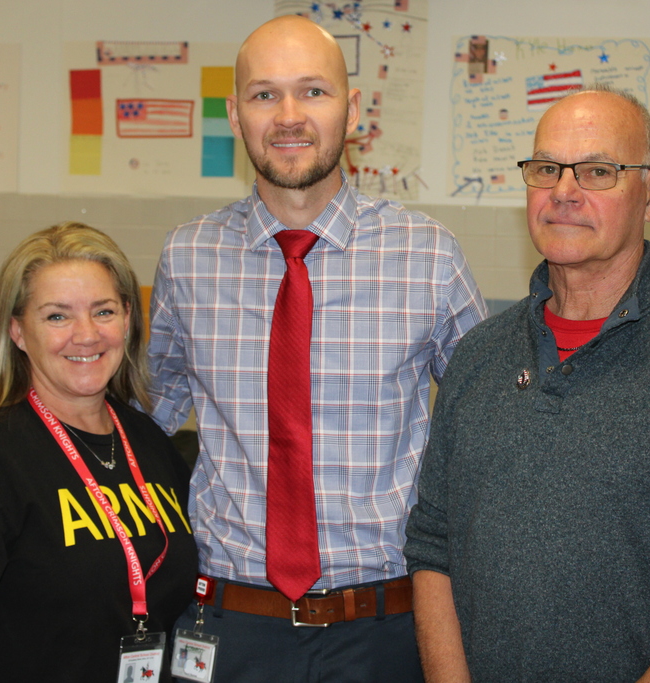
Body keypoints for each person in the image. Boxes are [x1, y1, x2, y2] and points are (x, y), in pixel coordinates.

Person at [404, 85, 650, 683]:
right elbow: (433, 541)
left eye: (598, 171)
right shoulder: (480, 355)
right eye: (546, 169)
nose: (564, 192)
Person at [147, 15, 486, 682]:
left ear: (352, 110)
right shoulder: (188, 258)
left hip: (385, 632)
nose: (289, 116)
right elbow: (139, 424)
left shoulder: (428, 258)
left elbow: (491, 431)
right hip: (227, 626)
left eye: (313, 92)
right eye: (264, 94)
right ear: (235, 114)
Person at [0, 222, 198, 682]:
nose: (86, 335)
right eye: (57, 316)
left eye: (104, 311)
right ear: (17, 331)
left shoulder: (150, 442)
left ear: (129, 319)